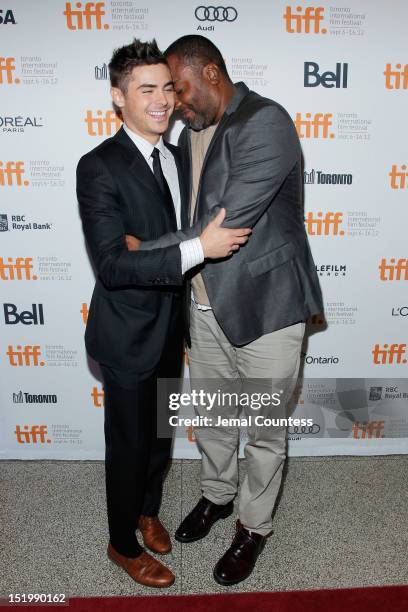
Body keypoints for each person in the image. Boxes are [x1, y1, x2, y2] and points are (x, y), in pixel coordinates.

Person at [126, 35, 323, 586]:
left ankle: (254, 527)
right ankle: (216, 495)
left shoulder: (266, 122)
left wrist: (146, 252)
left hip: (267, 307)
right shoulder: (190, 132)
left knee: (262, 427)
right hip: (205, 306)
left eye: (181, 90)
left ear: (211, 73)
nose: (175, 105)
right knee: (214, 416)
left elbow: (225, 222)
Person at [76, 38, 251, 589]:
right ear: (117, 97)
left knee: (157, 438)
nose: (162, 100)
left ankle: (146, 511)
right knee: (126, 446)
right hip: (127, 336)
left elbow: (148, 250)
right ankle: (122, 543)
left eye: (168, 87)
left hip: (172, 326)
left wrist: (146, 249)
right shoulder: (98, 166)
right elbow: (111, 265)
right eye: (146, 89)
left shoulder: (177, 156)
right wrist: (198, 248)